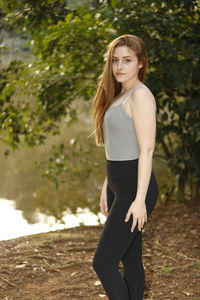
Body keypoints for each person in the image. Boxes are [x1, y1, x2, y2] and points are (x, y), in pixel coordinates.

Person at [90, 34, 158, 300]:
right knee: (130, 261)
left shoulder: (140, 95)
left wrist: (139, 199)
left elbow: (146, 150)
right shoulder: (119, 94)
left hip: (134, 190)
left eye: (127, 60)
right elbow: (117, 145)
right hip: (118, 186)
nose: (119, 66)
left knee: (103, 263)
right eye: (115, 60)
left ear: (140, 63)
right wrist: (107, 185)